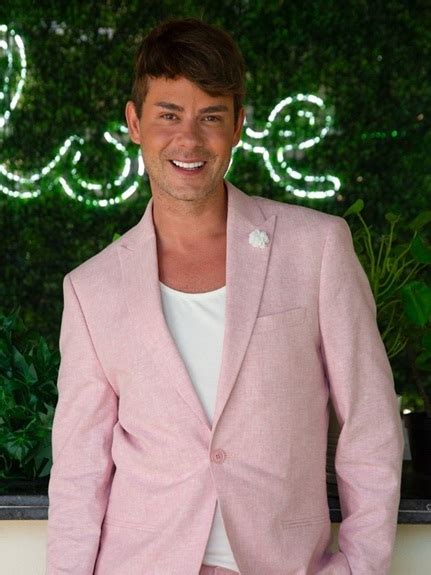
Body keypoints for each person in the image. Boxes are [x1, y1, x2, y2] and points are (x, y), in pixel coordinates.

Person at [46, 18, 403, 575]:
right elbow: (78, 474)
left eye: (210, 116)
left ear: (237, 125)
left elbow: (371, 422)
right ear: (135, 123)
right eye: (169, 115)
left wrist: (359, 566)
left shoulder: (316, 248)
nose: (189, 140)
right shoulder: (91, 289)